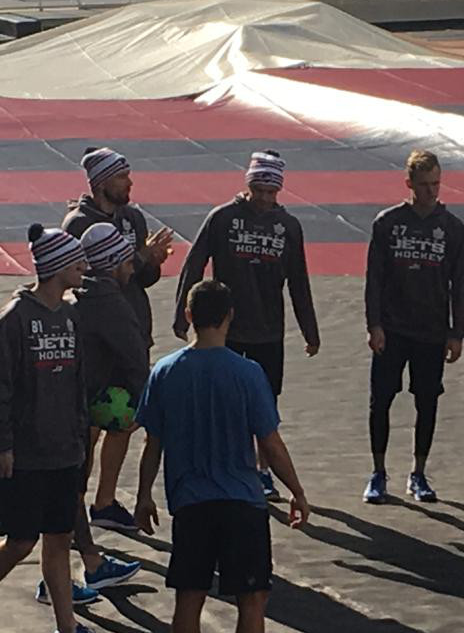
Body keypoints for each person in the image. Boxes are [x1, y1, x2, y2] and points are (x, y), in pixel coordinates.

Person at [136, 280, 308, 633]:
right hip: (241, 504)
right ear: (230, 317)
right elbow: (269, 442)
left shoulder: (165, 371)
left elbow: (153, 442)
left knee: (188, 599)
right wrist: (296, 490)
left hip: (190, 504)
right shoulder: (247, 373)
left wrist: (143, 495)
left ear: (189, 317)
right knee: (251, 602)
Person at [0, 226, 125, 633]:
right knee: (20, 542)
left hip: (64, 450)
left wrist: (80, 436)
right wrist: (2, 446)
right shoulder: (14, 318)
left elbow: (78, 381)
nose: (84, 266)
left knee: (59, 538)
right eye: (76, 261)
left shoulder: (70, 315)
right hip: (25, 454)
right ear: (55, 267)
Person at [173, 150, 319, 501]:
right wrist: (181, 315)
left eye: (272, 192)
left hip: (268, 330)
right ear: (248, 185)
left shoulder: (288, 227)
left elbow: (299, 281)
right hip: (226, 330)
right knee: (224, 400)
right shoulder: (223, 218)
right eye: (259, 191)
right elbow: (194, 264)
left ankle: (263, 471)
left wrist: (310, 331)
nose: (265, 199)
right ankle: (229, 462)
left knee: (265, 403)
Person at [66, 148, 173, 531]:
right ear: (101, 182)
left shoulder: (133, 218)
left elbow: (140, 276)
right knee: (89, 427)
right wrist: (142, 257)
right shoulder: (79, 224)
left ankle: (105, 501)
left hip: (132, 328)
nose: (130, 182)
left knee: (122, 421)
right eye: (121, 176)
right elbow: (79, 277)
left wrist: (151, 262)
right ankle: (74, 507)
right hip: (98, 339)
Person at [363, 150, 464, 505]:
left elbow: (460, 284)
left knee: (427, 401)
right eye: (424, 185)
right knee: (381, 400)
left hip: (431, 330)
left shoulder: (452, 228)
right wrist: (374, 324)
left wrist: (457, 332)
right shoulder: (387, 223)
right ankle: (378, 472)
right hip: (392, 329)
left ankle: (419, 473)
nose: (431, 191)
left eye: (436, 184)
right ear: (408, 184)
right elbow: (374, 280)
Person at [64, 223, 150, 601]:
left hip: (69, 406)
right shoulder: (110, 303)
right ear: (113, 263)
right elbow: (134, 358)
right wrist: (147, 407)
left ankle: (74, 571)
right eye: (127, 262)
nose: (132, 269)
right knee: (65, 495)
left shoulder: (76, 295)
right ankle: (84, 569)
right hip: (75, 411)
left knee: (67, 494)